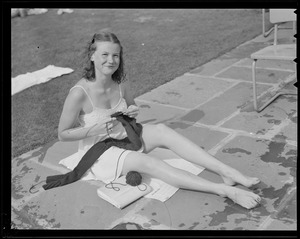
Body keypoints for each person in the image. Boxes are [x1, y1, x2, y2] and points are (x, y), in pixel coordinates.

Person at [58, 30, 261, 209]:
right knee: (147, 162)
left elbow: (130, 107)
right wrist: (94, 129)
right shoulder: (79, 93)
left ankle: (227, 172)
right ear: (92, 56)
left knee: (163, 130)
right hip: (100, 153)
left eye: (116, 55)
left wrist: (132, 112)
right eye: (104, 54)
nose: (111, 60)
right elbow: (62, 134)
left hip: (126, 139)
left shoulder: (121, 83)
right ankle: (224, 190)